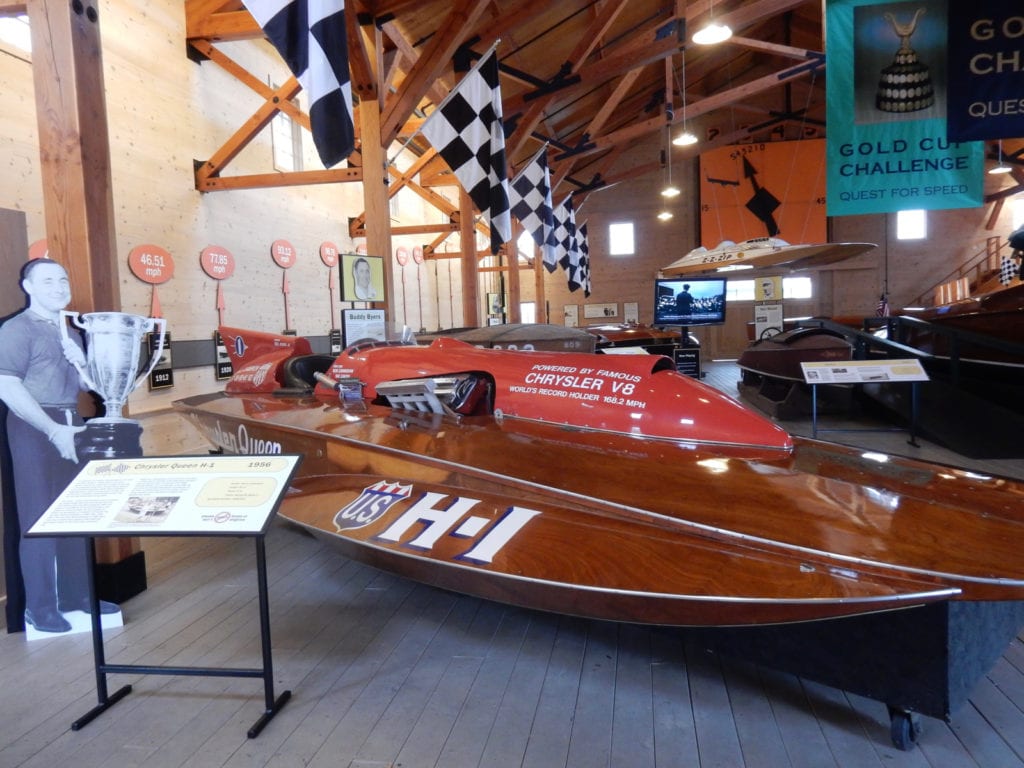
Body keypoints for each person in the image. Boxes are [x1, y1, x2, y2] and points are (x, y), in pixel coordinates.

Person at [0, 259, 118, 633]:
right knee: (38, 519)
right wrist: (52, 430)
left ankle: (76, 596)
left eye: (63, 279)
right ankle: (40, 607)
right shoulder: (17, 329)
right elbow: (6, 385)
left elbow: (88, 386)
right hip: (35, 426)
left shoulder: (71, 331)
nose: (59, 286)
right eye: (47, 280)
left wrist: (83, 365)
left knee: (76, 513)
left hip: (72, 422)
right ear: (28, 286)